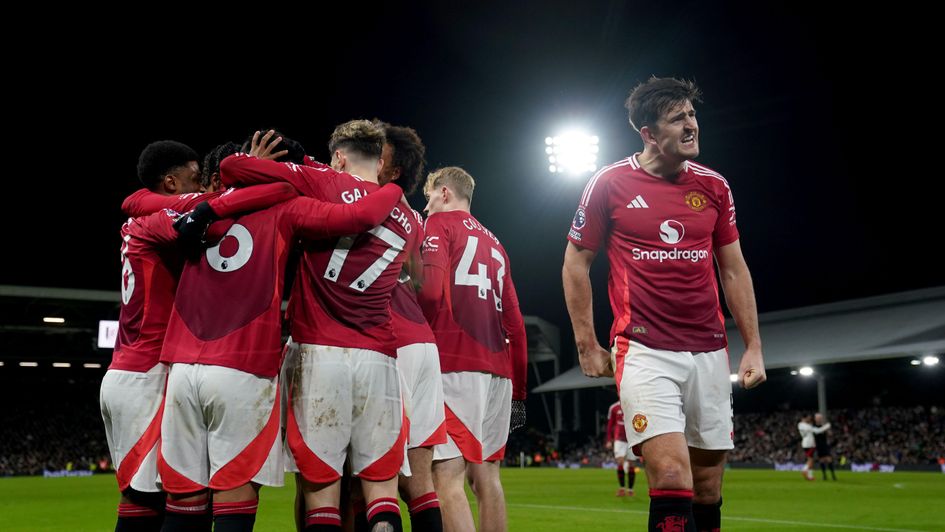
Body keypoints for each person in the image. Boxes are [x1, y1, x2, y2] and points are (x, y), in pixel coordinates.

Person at [156, 133, 407, 532]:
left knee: (182, 505)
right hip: (243, 367)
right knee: (234, 501)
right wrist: (393, 188)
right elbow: (353, 219)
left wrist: (213, 202)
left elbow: (135, 204)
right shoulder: (287, 207)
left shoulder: (183, 210)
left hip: (182, 369)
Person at [562, 76, 766, 532]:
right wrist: (586, 343)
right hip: (644, 350)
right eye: (678, 119)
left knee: (708, 486)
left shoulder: (715, 187)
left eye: (692, 114)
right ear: (648, 134)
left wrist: (752, 345)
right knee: (672, 475)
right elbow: (576, 262)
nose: (692, 125)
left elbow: (733, 270)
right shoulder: (609, 184)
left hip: (710, 351)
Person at [221, 122, 418, 532]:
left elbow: (232, 169)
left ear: (340, 157)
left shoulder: (320, 181)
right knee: (381, 490)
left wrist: (266, 160)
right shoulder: (408, 217)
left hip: (318, 353)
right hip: (379, 360)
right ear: (381, 161)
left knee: (321, 491)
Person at [101, 140, 295, 532]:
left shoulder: (141, 216)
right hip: (149, 374)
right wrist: (253, 171)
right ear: (172, 183)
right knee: (153, 503)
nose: (206, 187)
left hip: (134, 369)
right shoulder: (165, 218)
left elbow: (135, 200)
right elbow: (251, 198)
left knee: (159, 500)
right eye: (195, 177)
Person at [418, 166, 528, 532]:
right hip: (500, 374)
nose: (426, 206)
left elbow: (431, 293)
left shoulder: (438, 226)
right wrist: (520, 393)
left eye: (429, 197)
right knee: (488, 478)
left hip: (454, 363)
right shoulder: (497, 244)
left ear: (445, 193)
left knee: (444, 476)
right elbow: (517, 326)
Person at [376, 121, 447, 532]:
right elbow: (427, 289)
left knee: (370, 481)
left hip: (391, 344)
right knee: (419, 483)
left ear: (393, 169)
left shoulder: (366, 202)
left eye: (376, 153)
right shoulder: (412, 218)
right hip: (422, 342)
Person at [605, 400, 636, 496]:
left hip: (632, 439)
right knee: (620, 462)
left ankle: (630, 490)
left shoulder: (634, 404)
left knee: (631, 464)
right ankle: (622, 488)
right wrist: (609, 439)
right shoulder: (614, 407)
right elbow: (610, 425)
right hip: (619, 439)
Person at [797, 414, 830, 481]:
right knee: (810, 460)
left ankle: (810, 476)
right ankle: (804, 470)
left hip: (806, 443)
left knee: (811, 460)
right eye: (808, 418)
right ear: (804, 418)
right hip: (809, 444)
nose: (809, 419)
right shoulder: (806, 426)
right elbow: (818, 431)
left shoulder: (801, 425)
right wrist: (827, 426)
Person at [813, 413, 837, 481]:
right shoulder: (814, 427)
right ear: (815, 419)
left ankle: (833, 475)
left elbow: (830, 434)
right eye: (818, 418)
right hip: (818, 445)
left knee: (829, 459)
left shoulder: (823, 426)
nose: (819, 419)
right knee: (822, 460)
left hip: (825, 445)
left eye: (820, 418)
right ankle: (824, 475)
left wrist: (828, 431)